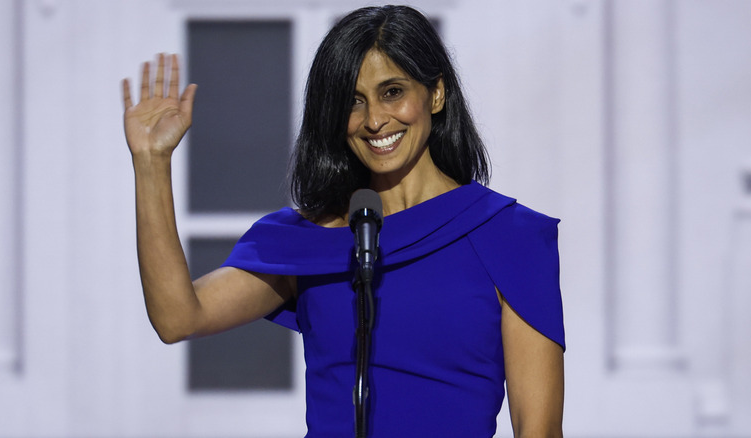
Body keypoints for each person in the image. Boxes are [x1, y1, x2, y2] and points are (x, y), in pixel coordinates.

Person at [122, 5, 564, 438]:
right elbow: (178, 318)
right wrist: (152, 162)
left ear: (436, 93)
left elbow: (538, 429)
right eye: (353, 102)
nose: (374, 120)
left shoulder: (509, 236)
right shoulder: (310, 240)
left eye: (392, 92)